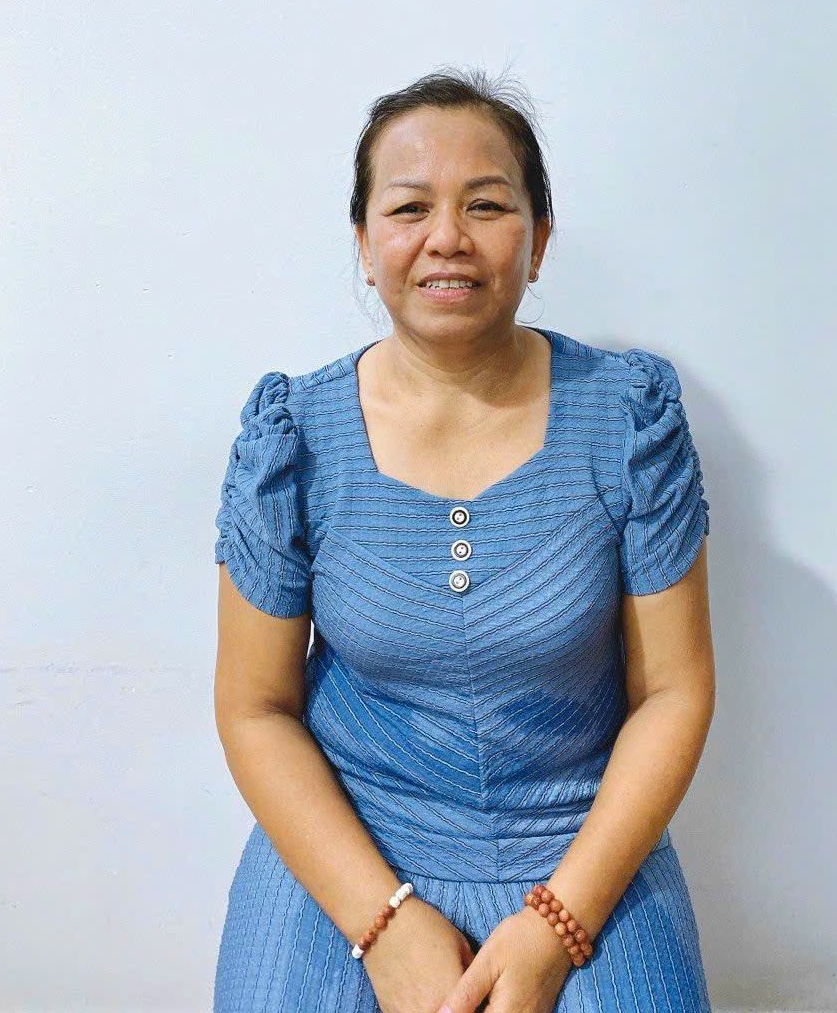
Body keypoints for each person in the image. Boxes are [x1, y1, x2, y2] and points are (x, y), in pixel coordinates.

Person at [211, 69, 715, 1013]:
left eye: (486, 204)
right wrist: (382, 923)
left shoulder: (629, 420)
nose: (447, 237)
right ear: (365, 245)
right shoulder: (293, 437)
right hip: (349, 854)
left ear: (540, 239)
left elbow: (674, 691)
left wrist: (559, 925)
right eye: (410, 208)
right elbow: (255, 707)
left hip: (581, 855)